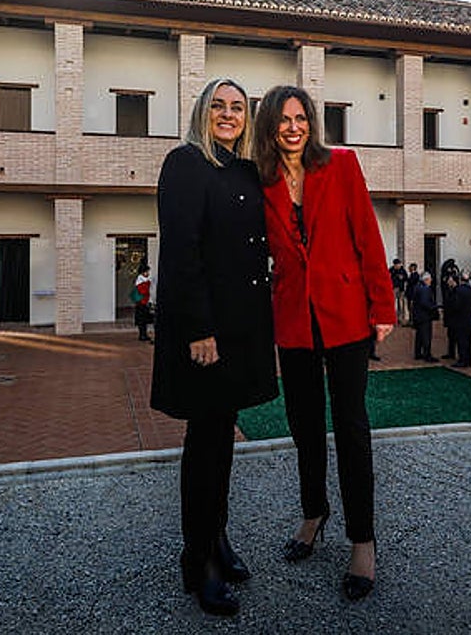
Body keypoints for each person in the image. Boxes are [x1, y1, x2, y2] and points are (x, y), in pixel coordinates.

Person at [252, 84, 395, 602]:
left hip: (345, 317)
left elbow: (367, 235)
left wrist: (383, 306)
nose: (294, 127)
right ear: (269, 126)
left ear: (311, 122)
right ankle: (313, 514)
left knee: (352, 428)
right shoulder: (260, 180)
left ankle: (363, 540)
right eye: (283, 119)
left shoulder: (341, 165)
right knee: (304, 426)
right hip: (293, 321)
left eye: (301, 117)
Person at [150, 78, 278, 617]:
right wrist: (201, 329)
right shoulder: (184, 164)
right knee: (203, 445)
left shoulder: (245, 169)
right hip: (204, 333)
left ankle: (218, 539)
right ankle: (196, 558)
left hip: (242, 328)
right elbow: (182, 253)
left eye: (238, 108)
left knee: (222, 443)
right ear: (203, 112)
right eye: (219, 106)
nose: (228, 114)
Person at [446, 270, 471, 368]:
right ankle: (468, 360)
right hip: (469, 318)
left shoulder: (458, 291)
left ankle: (462, 360)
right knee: (468, 341)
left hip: (460, 319)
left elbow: (455, 305)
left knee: (461, 341)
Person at [412, 272, 438, 361]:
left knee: (419, 335)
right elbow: (425, 303)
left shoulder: (418, 287)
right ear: (426, 280)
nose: (431, 281)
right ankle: (427, 354)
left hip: (418, 315)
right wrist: (434, 307)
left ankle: (418, 353)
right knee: (426, 335)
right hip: (424, 316)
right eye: (430, 279)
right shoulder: (425, 289)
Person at [439, 258, 460, 361]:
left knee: (456, 337)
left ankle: (458, 355)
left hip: (455, 318)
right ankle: (450, 353)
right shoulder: (448, 292)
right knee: (450, 336)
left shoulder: (456, 292)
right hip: (450, 318)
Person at [133, 261, 153, 342]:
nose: (148, 273)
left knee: (144, 320)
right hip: (141, 303)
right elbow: (143, 291)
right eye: (147, 271)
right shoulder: (141, 280)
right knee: (142, 320)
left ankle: (144, 334)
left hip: (144, 302)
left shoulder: (143, 279)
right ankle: (142, 335)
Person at [390, 259, 409, 326]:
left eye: (399, 264)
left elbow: (406, 279)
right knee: (393, 304)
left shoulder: (402, 270)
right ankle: (393, 319)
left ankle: (400, 319)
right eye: (396, 265)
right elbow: (388, 277)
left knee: (401, 305)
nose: (398, 266)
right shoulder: (391, 270)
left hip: (401, 289)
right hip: (394, 289)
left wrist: (403, 278)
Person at [404, 262, 421, 331]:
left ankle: (413, 322)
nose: (409, 268)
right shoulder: (411, 275)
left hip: (412, 294)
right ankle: (411, 321)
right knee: (410, 308)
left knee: (412, 308)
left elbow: (412, 284)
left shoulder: (415, 275)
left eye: (410, 267)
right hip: (409, 294)